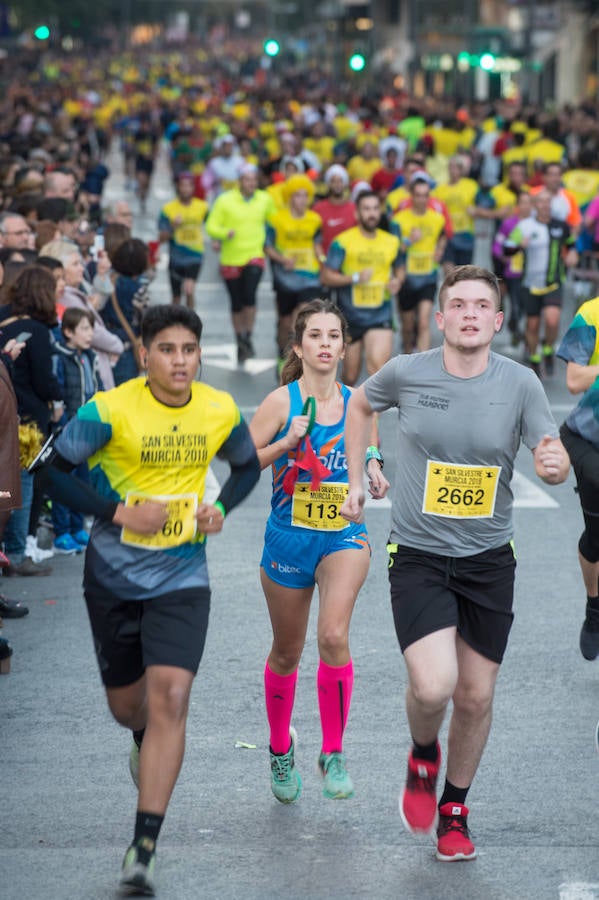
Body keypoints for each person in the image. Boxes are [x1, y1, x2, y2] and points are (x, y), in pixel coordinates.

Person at [340, 265, 570, 862]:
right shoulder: (407, 372)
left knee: (472, 697)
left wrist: (554, 464)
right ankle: (423, 752)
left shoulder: (519, 383)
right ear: (440, 318)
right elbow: (360, 404)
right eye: (458, 305)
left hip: (490, 560)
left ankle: (454, 810)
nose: (469, 314)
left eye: (481, 306)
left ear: (497, 320)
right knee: (434, 684)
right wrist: (363, 467)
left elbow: (551, 451)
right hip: (417, 555)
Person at [34, 304, 260, 894]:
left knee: (172, 697)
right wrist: (117, 511)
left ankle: (143, 845)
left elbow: (246, 466)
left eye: (188, 349)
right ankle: (141, 739)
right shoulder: (109, 410)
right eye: (166, 349)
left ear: (198, 355)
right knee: (128, 709)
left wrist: (221, 509)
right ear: (144, 356)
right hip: (111, 577)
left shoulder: (218, 408)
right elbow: (51, 471)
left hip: (184, 577)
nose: (179, 360)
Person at [249, 299, 388, 804]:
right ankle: (281, 747)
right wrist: (286, 442)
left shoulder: (359, 402)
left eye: (334, 336)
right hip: (288, 538)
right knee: (287, 653)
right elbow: (241, 463)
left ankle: (333, 751)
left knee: (333, 635)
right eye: (316, 336)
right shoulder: (279, 403)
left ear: (343, 346)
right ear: (298, 347)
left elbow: (369, 449)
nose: (326, 344)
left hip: (342, 534)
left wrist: (373, 471)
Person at [320, 189, 402, 385]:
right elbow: (326, 276)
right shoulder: (343, 242)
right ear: (357, 213)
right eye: (366, 209)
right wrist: (354, 278)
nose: (371, 214)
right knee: (350, 376)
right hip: (350, 316)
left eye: (375, 209)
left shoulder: (392, 241)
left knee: (377, 372)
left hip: (380, 314)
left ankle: (372, 416)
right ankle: (349, 412)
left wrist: (397, 281)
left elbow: (400, 268)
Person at [557, 293, 599, 660]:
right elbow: (573, 379)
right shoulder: (591, 314)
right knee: (596, 540)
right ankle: (594, 608)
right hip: (589, 438)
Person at [504, 189, 578, 377]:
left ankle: (548, 349)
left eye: (548, 202)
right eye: (541, 202)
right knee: (533, 325)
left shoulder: (561, 226)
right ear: (535, 205)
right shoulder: (525, 226)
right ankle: (535, 358)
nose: (545, 205)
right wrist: (519, 245)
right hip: (530, 283)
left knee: (552, 320)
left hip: (554, 282)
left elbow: (570, 245)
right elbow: (507, 248)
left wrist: (572, 254)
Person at [205, 164, 274, 363]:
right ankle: (239, 338)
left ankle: (248, 336)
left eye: (254, 180)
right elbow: (211, 225)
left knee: (250, 297)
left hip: (254, 255)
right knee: (236, 303)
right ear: (239, 181)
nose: (251, 183)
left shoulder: (264, 199)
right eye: (247, 179)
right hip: (231, 258)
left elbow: (275, 220)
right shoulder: (225, 200)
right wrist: (224, 233)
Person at [51, 308, 104, 554]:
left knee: (83, 480)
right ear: (68, 331)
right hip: (67, 429)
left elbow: (99, 388)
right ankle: (61, 532)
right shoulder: (59, 356)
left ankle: (77, 526)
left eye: (91, 328)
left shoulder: (90, 356)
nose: (89, 333)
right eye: (84, 328)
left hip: (87, 430)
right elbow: (56, 389)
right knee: (64, 480)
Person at [393, 174, 446, 353]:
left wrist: (439, 249)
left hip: (428, 277)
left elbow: (443, 236)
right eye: (418, 195)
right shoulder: (400, 220)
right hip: (406, 278)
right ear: (411, 196)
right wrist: (408, 241)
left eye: (425, 195)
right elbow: (392, 250)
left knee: (424, 323)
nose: (422, 199)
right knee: (407, 328)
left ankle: (422, 366)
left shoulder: (437, 218)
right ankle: (408, 357)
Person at [158, 172, 208, 309]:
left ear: (193, 188)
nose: (185, 189)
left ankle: (191, 323)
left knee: (189, 289)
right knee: (176, 296)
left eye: (189, 186)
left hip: (195, 255)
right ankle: (176, 324)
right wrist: (173, 226)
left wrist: (217, 240)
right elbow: (161, 238)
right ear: (178, 187)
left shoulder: (203, 207)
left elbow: (213, 225)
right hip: (176, 257)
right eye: (183, 186)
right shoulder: (168, 209)